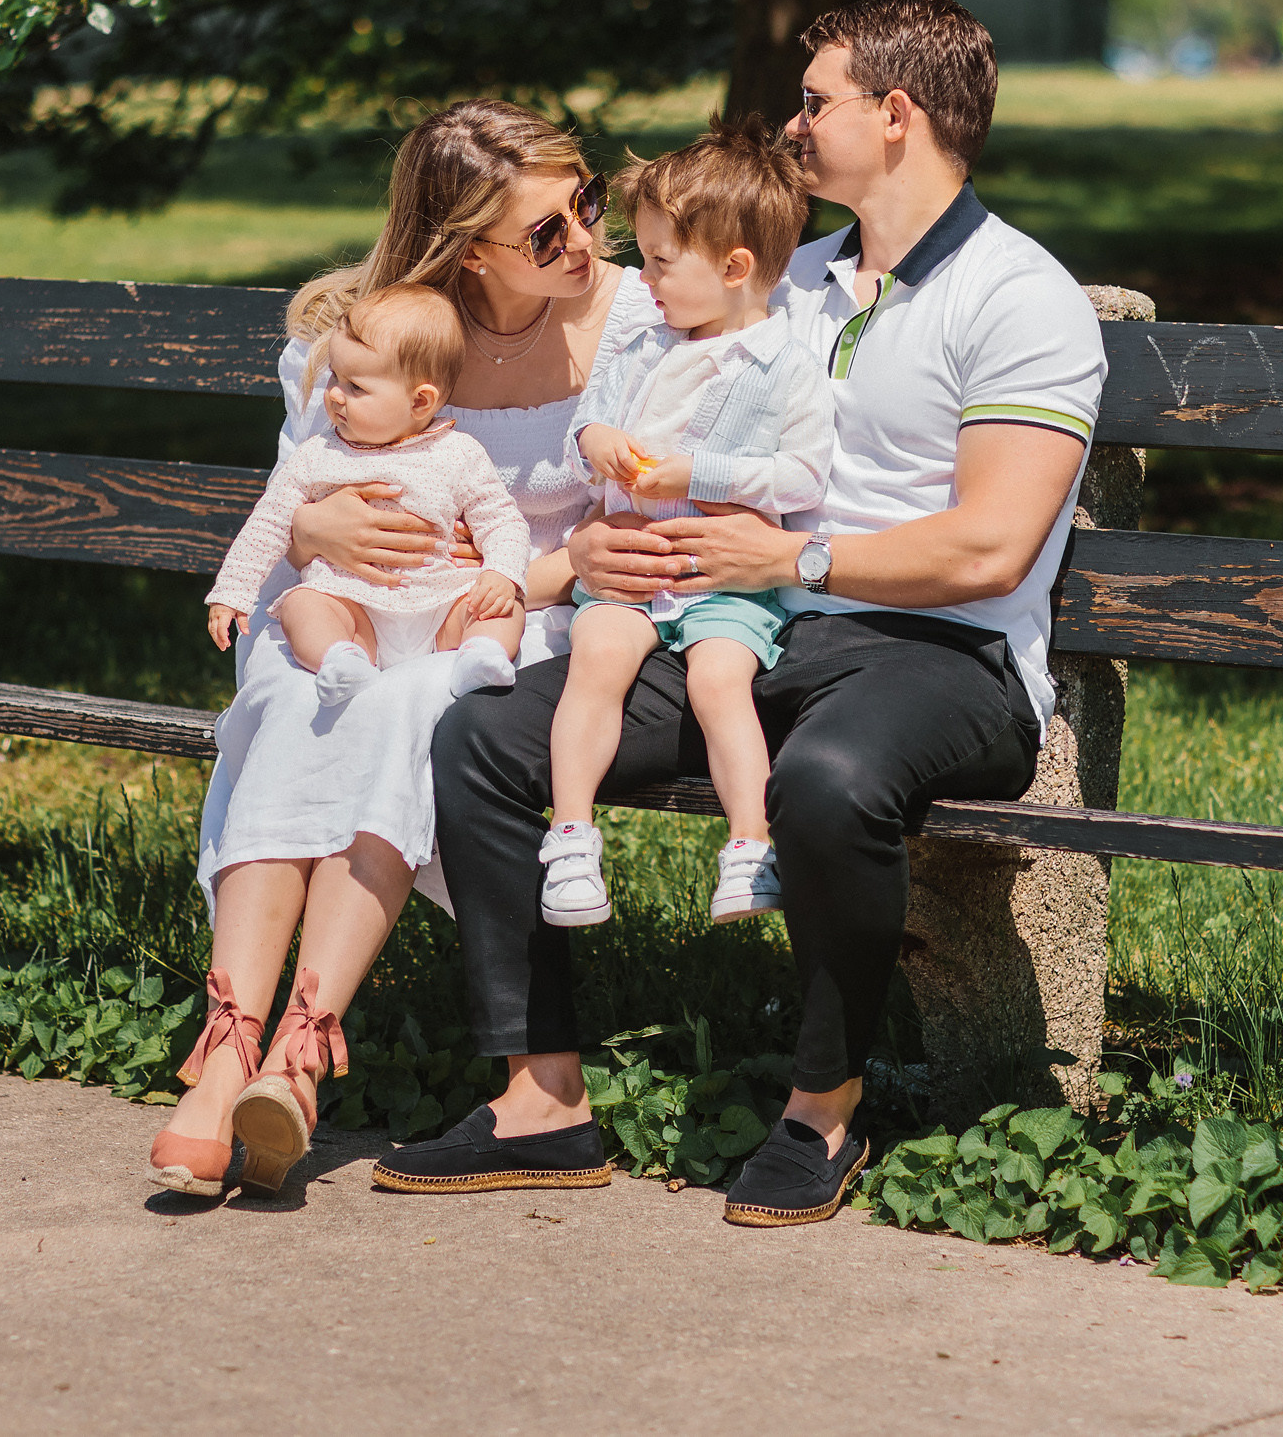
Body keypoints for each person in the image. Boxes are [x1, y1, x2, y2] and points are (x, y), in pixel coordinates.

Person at [382, 0, 1108, 1226]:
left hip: (946, 655)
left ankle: (822, 1107)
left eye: (815, 99)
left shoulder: (1015, 296)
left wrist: (795, 562)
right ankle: (539, 1099)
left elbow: (989, 547)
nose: (792, 121)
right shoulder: (786, 277)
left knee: (823, 780)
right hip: (748, 618)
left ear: (895, 115)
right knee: (485, 738)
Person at [148, 100, 656, 1200]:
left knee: (407, 706)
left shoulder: (642, 325)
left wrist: (523, 575)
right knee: (292, 694)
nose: (583, 238)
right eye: (544, 231)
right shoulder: (380, 330)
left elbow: (631, 535)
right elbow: (302, 490)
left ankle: (302, 1043)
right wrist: (317, 530)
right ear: (469, 246)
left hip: (508, 617)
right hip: (341, 611)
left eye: (586, 202)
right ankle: (230, 1046)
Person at [539, 117, 831, 929]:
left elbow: (802, 475)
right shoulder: (641, 344)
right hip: (632, 569)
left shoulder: (786, 369)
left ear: (735, 268)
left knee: (719, 679)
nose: (644, 274)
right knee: (595, 661)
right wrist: (598, 441)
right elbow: (589, 421)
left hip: (720, 578)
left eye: (662, 260)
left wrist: (694, 474)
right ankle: (570, 836)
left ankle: (749, 843)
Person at [206, 284, 529, 709]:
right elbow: (269, 522)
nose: (336, 395)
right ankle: (340, 660)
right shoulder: (318, 455)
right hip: (353, 606)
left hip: (442, 605)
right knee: (303, 606)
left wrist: (503, 573)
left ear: (420, 401)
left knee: (503, 611)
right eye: (335, 377)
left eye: (355, 386)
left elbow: (502, 520)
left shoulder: (458, 454)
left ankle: (480, 654)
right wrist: (232, 590)